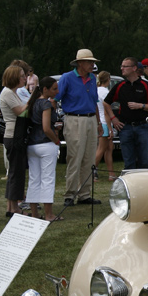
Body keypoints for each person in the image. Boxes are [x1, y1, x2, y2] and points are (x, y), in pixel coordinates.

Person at [57, 49, 102, 206]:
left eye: (93, 62)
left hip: (90, 119)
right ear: (80, 63)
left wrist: (98, 123)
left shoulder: (92, 79)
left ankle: (84, 194)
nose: (92, 64)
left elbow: (94, 102)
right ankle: (70, 194)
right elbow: (55, 98)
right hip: (74, 119)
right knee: (74, 157)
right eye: (90, 62)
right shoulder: (67, 78)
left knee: (89, 158)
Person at [105, 58, 148, 170]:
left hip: (142, 127)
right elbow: (106, 102)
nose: (122, 68)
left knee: (144, 160)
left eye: (125, 66)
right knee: (129, 162)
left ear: (134, 68)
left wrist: (141, 106)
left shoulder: (145, 85)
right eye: (121, 66)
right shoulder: (120, 86)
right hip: (125, 127)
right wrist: (113, 118)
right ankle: (130, 185)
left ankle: (143, 185)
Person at [26, 77, 62, 222]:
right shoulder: (46, 103)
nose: (57, 91)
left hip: (32, 144)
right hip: (45, 144)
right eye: (54, 88)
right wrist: (56, 140)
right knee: (48, 179)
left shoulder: (32, 102)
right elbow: (46, 128)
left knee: (34, 179)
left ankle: (34, 214)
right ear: (45, 89)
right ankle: (49, 214)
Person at [0, 64, 29, 217]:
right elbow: (19, 111)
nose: (25, 78)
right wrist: (31, 101)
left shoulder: (13, 93)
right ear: (14, 77)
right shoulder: (8, 93)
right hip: (13, 135)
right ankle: (14, 207)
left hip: (15, 134)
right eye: (22, 75)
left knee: (15, 172)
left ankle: (11, 207)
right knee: (16, 173)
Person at [94, 71, 116, 181]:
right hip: (105, 122)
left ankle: (111, 174)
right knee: (101, 149)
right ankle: (91, 172)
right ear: (108, 80)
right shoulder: (106, 92)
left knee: (109, 148)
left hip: (100, 121)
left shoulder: (96, 90)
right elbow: (107, 111)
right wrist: (110, 128)